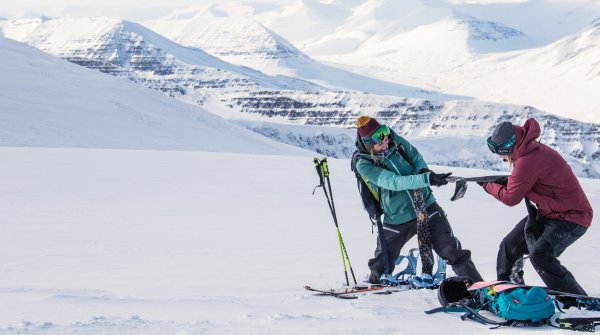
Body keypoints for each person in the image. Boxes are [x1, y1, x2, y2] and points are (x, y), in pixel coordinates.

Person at [354, 116, 483, 284]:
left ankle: (480, 287)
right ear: (369, 145)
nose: (386, 142)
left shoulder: (393, 140)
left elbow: (414, 156)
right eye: (381, 142)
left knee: (451, 249)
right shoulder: (363, 164)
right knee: (381, 263)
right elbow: (394, 182)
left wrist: (423, 170)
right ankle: (374, 287)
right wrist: (426, 179)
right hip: (398, 215)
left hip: (426, 205)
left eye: (386, 137)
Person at [480, 118, 592, 301]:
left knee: (541, 256)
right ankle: (508, 291)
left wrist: (488, 186)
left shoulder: (528, 159)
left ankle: (576, 300)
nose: (499, 157)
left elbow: (510, 198)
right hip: (548, 213)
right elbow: (527, 181)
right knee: (509, 245)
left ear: (509, 146)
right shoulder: (528, 151)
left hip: (572, 217)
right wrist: (505, 183)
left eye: (500, 152)